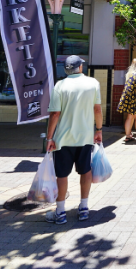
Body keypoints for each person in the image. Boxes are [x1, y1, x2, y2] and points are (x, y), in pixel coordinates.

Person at [45, 55, 102, 224]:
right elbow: (97, 109)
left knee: (61, 175)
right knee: (85, 171)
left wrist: (49, 138)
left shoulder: (60, 85)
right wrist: (98, 130)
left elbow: (55, 114)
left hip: (63, 138)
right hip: (85, 137)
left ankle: (60, 212)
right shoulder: (93, 83)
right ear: (80, 67)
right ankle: (84, 208)